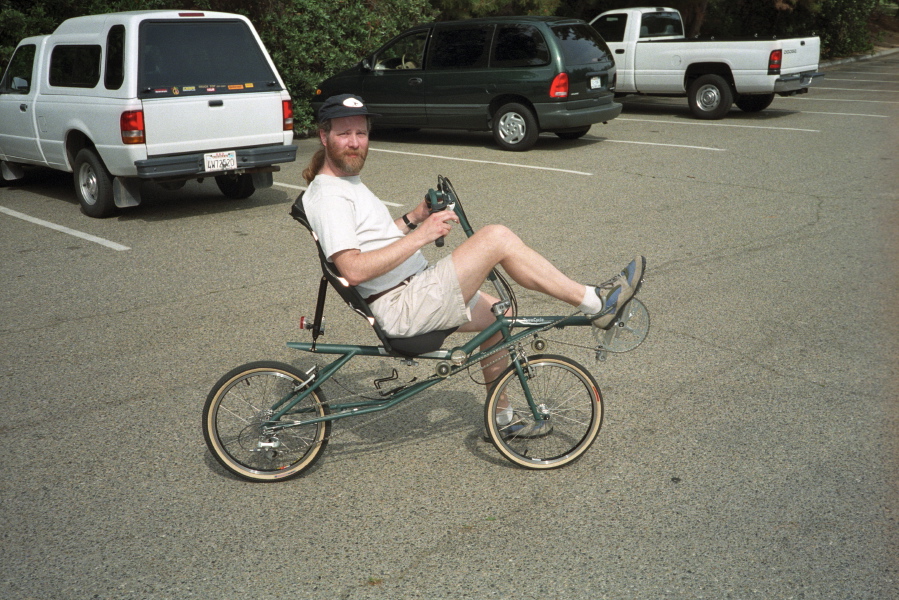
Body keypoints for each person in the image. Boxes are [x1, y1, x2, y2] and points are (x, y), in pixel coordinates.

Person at [302, 94, 644, 436]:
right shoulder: (330, 197)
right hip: (402, 306)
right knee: (496, 237)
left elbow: (373, 239)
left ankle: (503, 419)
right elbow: (354, 269)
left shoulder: (345, 184)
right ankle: (596, 303)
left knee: (499, 314)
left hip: (413, 290)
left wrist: (413, 218)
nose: (355, 142)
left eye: (361, 133)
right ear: (323, 136)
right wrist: (422, 236)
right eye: (344, 134)